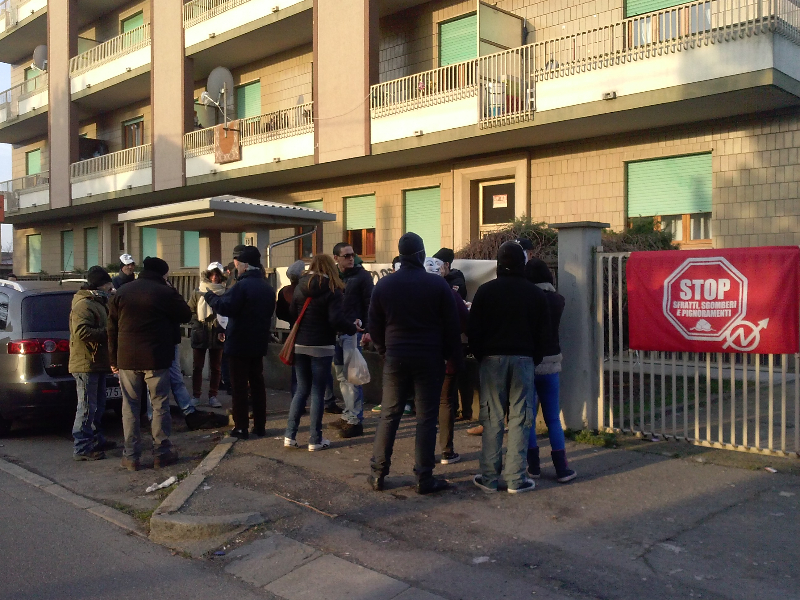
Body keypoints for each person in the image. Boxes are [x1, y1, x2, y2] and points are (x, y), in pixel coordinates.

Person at [368, 233, 462, 495]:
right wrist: (449, 356)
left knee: (389, 414)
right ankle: (424, 476)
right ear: (421, 255)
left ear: (401, 255)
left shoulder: (384, 285)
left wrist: (384, 350)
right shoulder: (437, 285)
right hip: (429, 357)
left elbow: (374, 324)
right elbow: (451, 326)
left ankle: (378, 473)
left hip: (396, 356)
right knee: (426, 417)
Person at [468, 241, 550, 494]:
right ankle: (516, 478)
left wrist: (482, 355)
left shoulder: (485, 291)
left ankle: (489, 477)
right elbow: (544, 334)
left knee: (492, 418)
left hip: (491, 360)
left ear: (498, 263)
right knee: (520, 418)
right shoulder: (535, 294)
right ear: (523, 263)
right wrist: (533, 358)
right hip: (524, 360)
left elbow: (474, 329)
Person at [109, 257, 193, 471]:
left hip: (127, 357)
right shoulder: (164, 292)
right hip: (156, 357)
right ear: (162, 274)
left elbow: (112, 328)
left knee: (130, 406)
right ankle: (161, 452)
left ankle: (131, 456)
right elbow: (185, 314)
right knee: (159, 404)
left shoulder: (122, 291)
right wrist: (171, 289)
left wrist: (113, 359)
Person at [284, 254, 359, 451]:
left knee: (301, 390)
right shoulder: (333, 289)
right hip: (322, 346)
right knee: (318, 391)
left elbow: (292, 313)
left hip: (300, 344)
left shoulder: (300, 287)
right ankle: (315, 439)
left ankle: (289, 436)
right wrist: (352, 328)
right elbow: (335, 319)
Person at [204, 246, 275, 440]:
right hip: (258, 342)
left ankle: (241, 427)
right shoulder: (267, 287)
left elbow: (226, 307)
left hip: (239, 342)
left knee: (239, 387)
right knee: (258, 384)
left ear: (244, 265)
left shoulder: (242, 286)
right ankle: (260, 426)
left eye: (238, 264)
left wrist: (209, 296)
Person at [524, 258, 576, 483]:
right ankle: (562, 468)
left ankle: (533, 466)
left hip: (528, 362)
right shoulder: (558, 300)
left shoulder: (525, 300)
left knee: (528, 417)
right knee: (553, 418)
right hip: (552, 361)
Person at [424, 257, 469, 465]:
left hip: (419, 357)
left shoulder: (411, 295)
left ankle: (424, 454)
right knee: (445, 402)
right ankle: (446, 451)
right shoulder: (451, 295)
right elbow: (465, 322)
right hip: (447, 357)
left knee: (424, 404)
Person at [69, 266, 116, 461]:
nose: (111, 289)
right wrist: (108, 332)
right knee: (87, 406)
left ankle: (96, 439)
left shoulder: (99, 302)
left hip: (97, 362)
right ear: (100, 285)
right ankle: (82, 446)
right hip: (86, 363)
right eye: (108, 286)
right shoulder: (84, 304)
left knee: (98, 405)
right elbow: (82, 332)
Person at [329, 242, 374, 438]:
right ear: (336, 258)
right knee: (341, 376)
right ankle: (348, 414)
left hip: (353, 332)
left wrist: (368, 329)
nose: (350, 258)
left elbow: (370, 303)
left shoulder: (362, 276)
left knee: (352, 377)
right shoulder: (334, 276)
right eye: (346, 255)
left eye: (352, 255)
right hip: (336, 331)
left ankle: (355, 419)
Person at [189, 262, 227, 408]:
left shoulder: (225, 292)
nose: (215, 277)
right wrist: (198, 323)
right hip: (201, 331)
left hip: (218, 332)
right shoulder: (198, 291)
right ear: (207, 275)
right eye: (212, 274)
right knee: (197, 367)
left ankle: (213, 396)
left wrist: (222, 326)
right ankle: (196, 395)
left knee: (216, 367)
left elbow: (228, 311)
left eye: (217, 274)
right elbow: (190, 310)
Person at [277, 260, 307, 398]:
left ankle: (296, 398)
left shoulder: (283, 292)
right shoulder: (305, 291)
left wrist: (291, 320)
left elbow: (279, 313)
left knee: (296, 370)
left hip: (292, 332)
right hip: (308, 332)